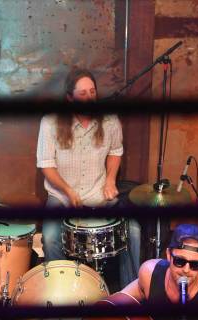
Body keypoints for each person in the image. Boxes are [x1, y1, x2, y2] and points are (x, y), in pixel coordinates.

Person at [36, 67, 140, 286]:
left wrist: (111, 179)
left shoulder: (109, 120)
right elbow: (46, 165)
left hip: (99, 195)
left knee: (133, 231)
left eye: (92, 92)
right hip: (62, 198)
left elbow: (116, 151)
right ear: (70, 98)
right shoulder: (50, 122)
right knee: (51, 238)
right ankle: (62, 293)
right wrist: (68, 190)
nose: (89, 98)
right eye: (82, 94)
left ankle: (130, 296)